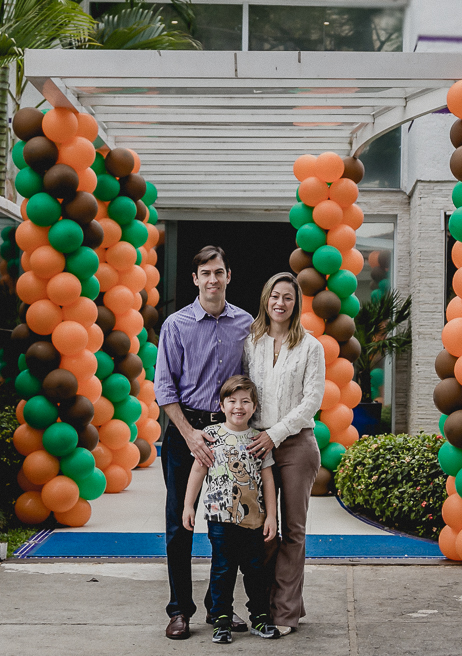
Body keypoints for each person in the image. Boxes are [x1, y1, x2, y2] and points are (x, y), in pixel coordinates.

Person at [155, 246, 254, 641]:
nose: (212, 279)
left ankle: (220, 610)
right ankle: (179, 610)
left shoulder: (246, 324)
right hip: (186, 434)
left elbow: (251, 382)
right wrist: (190, 434)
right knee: (181, 524)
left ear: (229, 275)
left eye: (219, 272)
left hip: (230, 437)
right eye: (205, 273)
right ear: (195, 279)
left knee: (226, 527)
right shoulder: (176, 326)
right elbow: (165, 390)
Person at [243, 272, 325, 636]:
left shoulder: (311, 347)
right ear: (266, 299)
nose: (280, 303)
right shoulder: (251, 341)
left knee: (292, 531)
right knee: (262, 531)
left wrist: (276, 435)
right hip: (255, 445)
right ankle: (267, 606)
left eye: (288, 298)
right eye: (274, 296)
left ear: (296, 303)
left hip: (295, 445)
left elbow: (311, 402)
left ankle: (285, 613)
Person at [182, 375, 281, 643]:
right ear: (221, 405)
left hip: (254, 520)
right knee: (223, 570)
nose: (239, 407)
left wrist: (272, 516)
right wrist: (188, 505)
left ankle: (259, 618)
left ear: (254, 406)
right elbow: (198, 469)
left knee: (255, 570)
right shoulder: (211, 436)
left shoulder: (260, 439)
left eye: (245, 401)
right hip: (220, 519)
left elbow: (269, 479)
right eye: (232, 401)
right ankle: (221, 619)